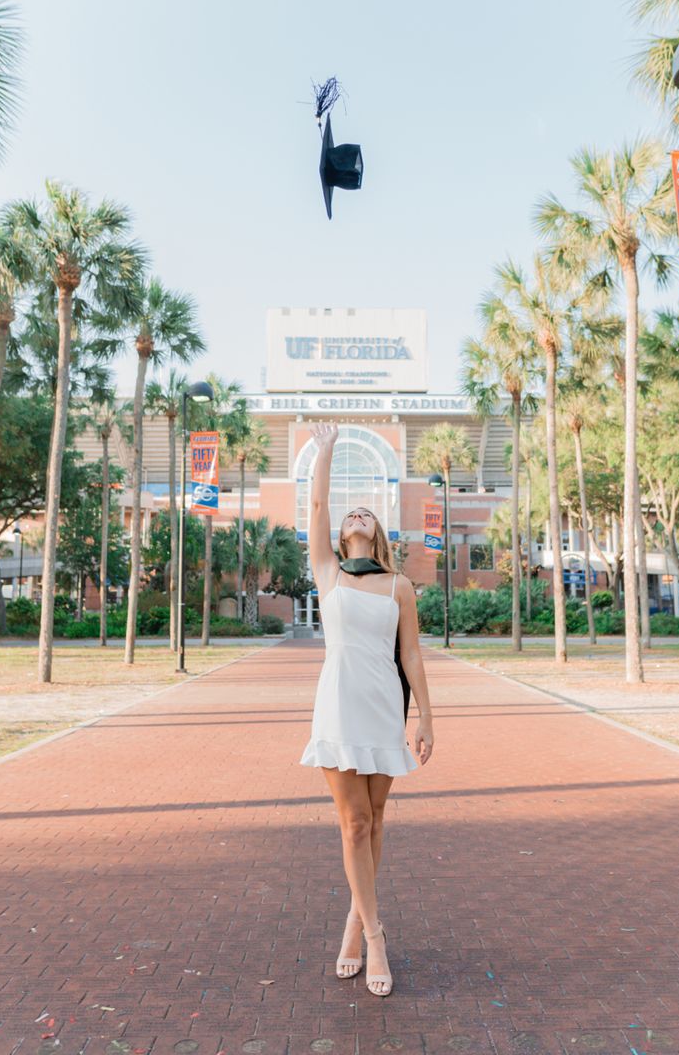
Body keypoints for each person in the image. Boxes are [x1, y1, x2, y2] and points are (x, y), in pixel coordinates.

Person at [299, 420, 435, 997]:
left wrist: (426, 716)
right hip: (337, 708)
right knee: (353, 822)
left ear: (377, 532)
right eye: (349, 515)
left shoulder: (399, 585)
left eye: (365, 513)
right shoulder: (327, 573)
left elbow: (412, 656)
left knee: (376, 821)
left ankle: (355, 919)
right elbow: (318, 503)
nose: (355, 515)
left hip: (383, 709)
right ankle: (376, 936)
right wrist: (324, 450)